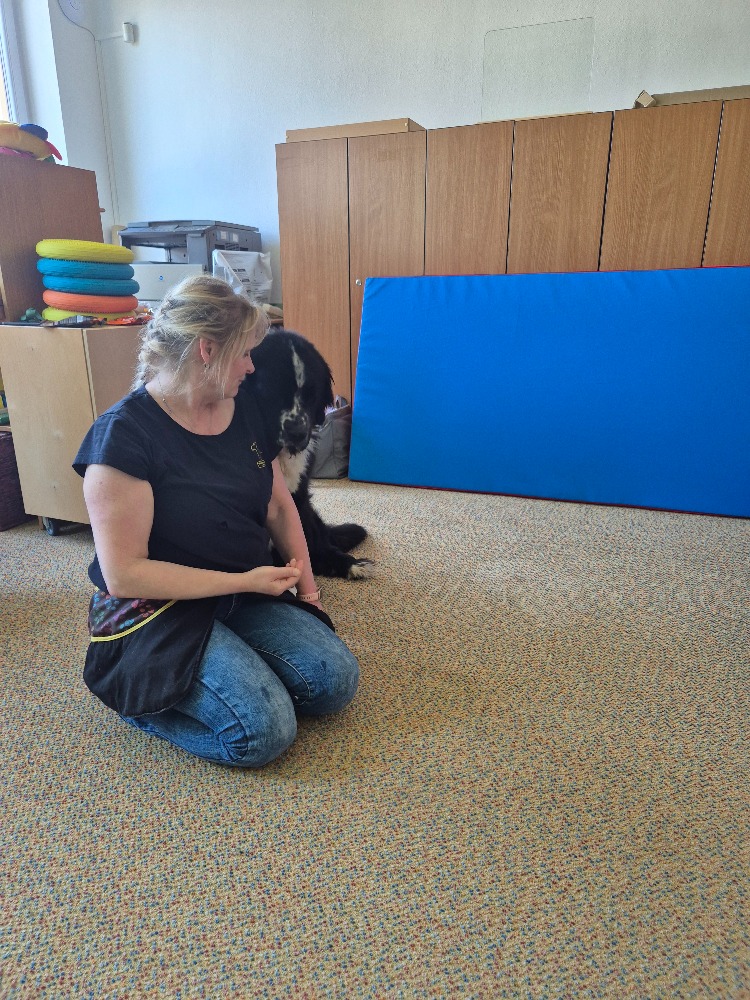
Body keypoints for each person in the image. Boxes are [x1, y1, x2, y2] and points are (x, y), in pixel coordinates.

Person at [73, 275, 359, 767]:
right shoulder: (122, 437)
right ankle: (136, 702)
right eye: (245, 353)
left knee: (335, 681)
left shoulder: (242, 409)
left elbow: (278, 507)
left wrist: (309, 596)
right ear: (207, 350)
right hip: (155, 609)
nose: (251, 366)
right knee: (263, 732)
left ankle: (225, 662)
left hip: (239, 592)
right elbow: (125, 575)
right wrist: (245, 580)